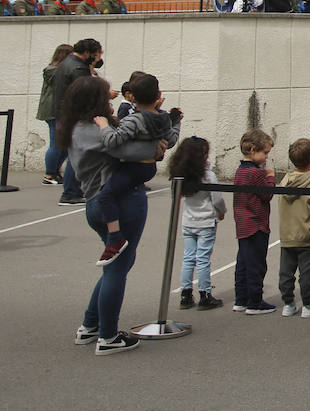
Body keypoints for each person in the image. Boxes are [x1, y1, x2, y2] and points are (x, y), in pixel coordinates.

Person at [61, 74, 167, 355]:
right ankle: (108, 337)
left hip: (95, 204)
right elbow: (134, 149)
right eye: (106, 93)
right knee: (118, 268)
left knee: (113, 266)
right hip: (123, 202)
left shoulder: (74, 127)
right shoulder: (99, 130)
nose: (112, 96)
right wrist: (157, 149)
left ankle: (90, 325)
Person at [89, 72, 181, 266]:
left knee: (105, 196)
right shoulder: (163, 118)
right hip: (149, 168)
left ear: (132, 97)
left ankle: (115, 237)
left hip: (133, 168)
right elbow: (171, 140)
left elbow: (113, 142)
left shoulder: (134, 120)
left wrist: (104, 125)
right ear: (159, 95)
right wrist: (177, 122)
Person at [168, 136, 226, 311]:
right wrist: (221, 212)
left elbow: (176, 196)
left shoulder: (180, 175)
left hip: (189, 220)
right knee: (203, 259)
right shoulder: (208, 176)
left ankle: (186, 294)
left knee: (188, 257)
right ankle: (205, 293)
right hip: (206, 221)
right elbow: (217, 199)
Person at [278, 138, 310, 319]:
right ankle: (308, 304)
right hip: (308, 235)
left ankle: (288, 303)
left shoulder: (285, 181)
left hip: (287, 234)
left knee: (286, 272)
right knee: (307, 274)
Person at [53, 39, 104, 205]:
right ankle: (70, 192)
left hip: (65, 114)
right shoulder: (78, 68)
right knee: (76, 154)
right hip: (74, 116)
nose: (98, 58)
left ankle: (72, 191)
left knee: (72, 152)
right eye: (97, 54)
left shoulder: (67, 63)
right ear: (88, 53)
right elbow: (85, 93)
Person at [232, 128, 276, 315]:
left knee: (243, 263)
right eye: (264, 152)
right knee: (257, 264)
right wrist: (271, 177)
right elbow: (267, 195)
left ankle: (241, 299)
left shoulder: (240, 171)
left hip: (243, 222)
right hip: (256, 223)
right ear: (252, 150)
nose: (266, 157)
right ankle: (255, 301)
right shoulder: (256, 174)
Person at [37, 43, 74, 185]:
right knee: (56, 143)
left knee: (64, 143)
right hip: (54, 111)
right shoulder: (53, 71)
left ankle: (54, 171)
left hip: (59, 110)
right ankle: (50, 173)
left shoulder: (56, 70)